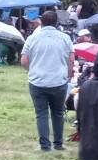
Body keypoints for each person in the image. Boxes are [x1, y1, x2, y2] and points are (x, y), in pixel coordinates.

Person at [21, 9, 73, 151]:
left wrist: (32, 70)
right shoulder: (65, 38)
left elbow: (24, 60)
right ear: (56, 23)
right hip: (59, 81)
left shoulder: (32, 38)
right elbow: (71, 61)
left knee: (41, 113)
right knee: (57, 113)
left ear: (41, 22)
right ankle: (58, 143)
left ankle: (44, 145)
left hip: (37, 81)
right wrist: (68, 76)